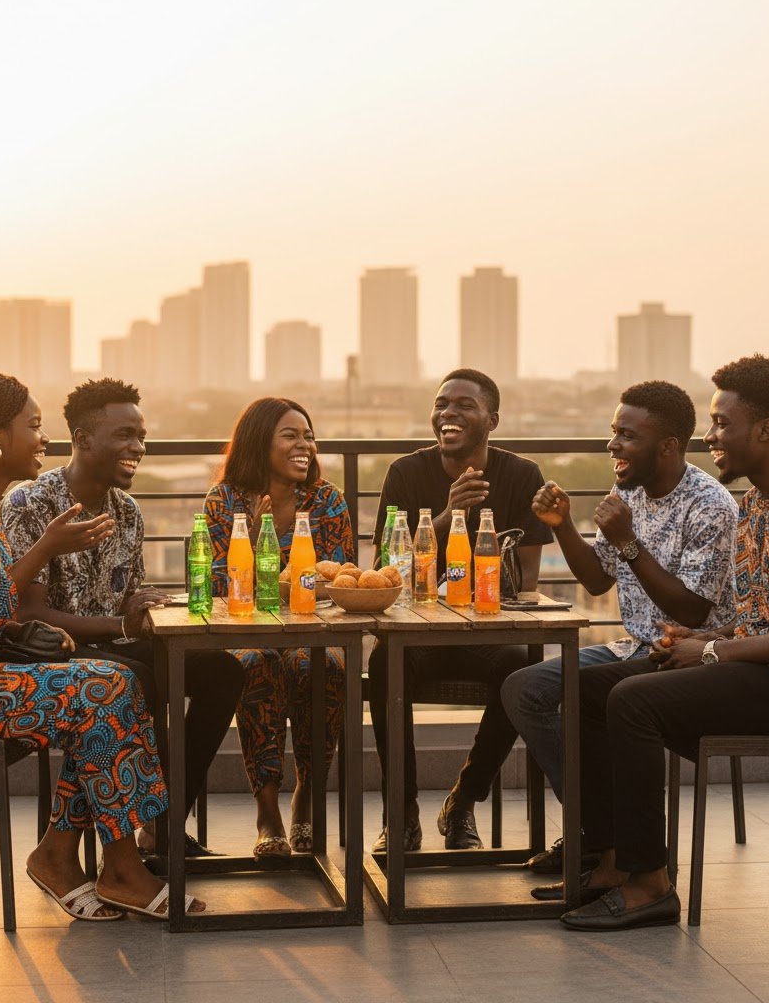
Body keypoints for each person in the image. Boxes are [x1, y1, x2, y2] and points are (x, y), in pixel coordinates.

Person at [0, 372, 204, 920]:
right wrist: (45, 548)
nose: (43, 440)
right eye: (35, 426)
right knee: (104, 687)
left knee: (107, 687)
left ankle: (63, 855)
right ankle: (113, 866)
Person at [557, 355, 769, 931]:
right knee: (588, 686)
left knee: (632, 700)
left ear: (766, 430)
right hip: (757, 671)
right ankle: (609, 859)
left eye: (722, 424)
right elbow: (761, 620)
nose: (711, 436)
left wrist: (710, 653)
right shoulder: (757, 507)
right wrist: (700, 638)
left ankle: (649, 883)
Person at [500, 381, 738, 877]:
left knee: (593, 694)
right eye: (613, 432)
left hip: (685, 656)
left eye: (627, 436)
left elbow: (693, 611)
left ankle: (607, 846)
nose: (612, 446)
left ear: (668, 447)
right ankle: (597, 832)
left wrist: (628, 541)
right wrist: (562, 524)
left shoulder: (709, 506)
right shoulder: (627, 490)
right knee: (525, 688)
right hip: (632, 646)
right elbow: (595, 576)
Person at [1, 378, 243, 858]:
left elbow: (128, 599)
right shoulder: (30, 503)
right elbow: (28, 612)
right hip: (51, 655)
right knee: (137, 679)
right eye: (124, 435)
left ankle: (164, 823)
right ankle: (139, 841)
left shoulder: (128, 512)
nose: (138, 447)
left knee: (222, 670)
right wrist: (122, 626)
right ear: (82, 439)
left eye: (141, 436)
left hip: (113, 646)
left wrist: (145, 606)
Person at [368, 369, 552, 851]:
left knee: (524, 669)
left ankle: (464, 800)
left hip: (484, 638)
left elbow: (527, 584)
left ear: (492, 419)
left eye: (464, 405)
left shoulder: (520, 475)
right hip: (417, 638)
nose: (449, 412)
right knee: (382, 664)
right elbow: (384, 572)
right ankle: (402, 813)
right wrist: (447, 517)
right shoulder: (406, 474)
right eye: (441, 403)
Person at [203, 397, 354, 863]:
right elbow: (218, 587)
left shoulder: (326, 500)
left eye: (308, 435)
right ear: (258, 442)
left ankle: (307, 794)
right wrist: (250, 531)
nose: (304, 445)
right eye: (290, 435)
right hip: (249, 634)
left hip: (315, 632)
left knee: (320, 666)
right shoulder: (224, 501)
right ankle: (267, 813)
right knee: (257, 666)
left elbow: (338, 576)